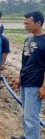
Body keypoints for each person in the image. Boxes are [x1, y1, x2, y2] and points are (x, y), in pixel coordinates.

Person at [12, 11, 45, 139]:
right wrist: (19, 77)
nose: (25, 26)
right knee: (26, 113)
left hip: (36, 83)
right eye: (24, 23)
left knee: (31, 117)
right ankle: (27, 136)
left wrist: (43, 87)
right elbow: (25, 61)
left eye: (28, 23)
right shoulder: (28, 39)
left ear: (38, 23)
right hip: (25, 80)